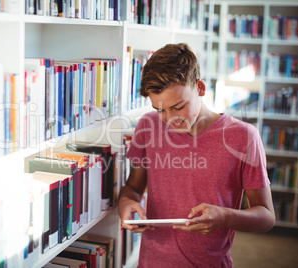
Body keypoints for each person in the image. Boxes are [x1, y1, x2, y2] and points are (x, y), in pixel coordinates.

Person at [118, 43, 275, 267]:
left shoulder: (243, 137)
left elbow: (266, 218)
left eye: (179, 106)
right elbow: (132, 188)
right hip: (150, 261)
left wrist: (224, 217)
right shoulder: (147, 126)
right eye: (160, 109)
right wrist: (126, 204)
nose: (170, 118)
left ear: (200, 88)